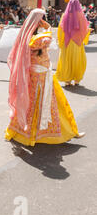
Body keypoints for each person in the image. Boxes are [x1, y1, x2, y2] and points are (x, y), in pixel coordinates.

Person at [5, 9, 85, 147]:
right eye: (42, 18)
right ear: (38, 22)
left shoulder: (31, 37)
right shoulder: (35, 40)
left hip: (44, 76)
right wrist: (47, 27)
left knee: (54, 103)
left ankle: (70, 131)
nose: (44, 21)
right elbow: (47, 40)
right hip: (39, 78)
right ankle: (33, 134)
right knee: (38, 105)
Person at [56, 0, 91, 87]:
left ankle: (67, 80)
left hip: (67, 43)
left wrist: (60, 41)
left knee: (66, 61)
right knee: (77, 60)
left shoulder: (65, 15)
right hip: (77, 43)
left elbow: (61, 29)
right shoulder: (81, 15)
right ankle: (76, 80)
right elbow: (85, 29)